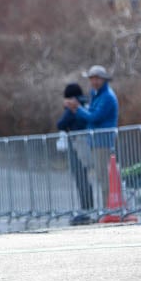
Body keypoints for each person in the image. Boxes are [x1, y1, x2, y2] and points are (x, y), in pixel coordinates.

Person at [64, 65, 119, 210]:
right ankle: (107, 208)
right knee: (101, 177)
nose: (94, 81)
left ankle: (109, 209)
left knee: (104, 177)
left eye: (97, 78)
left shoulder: (107, 96)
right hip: (96, 141)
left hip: (103, 141)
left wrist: (77, 109)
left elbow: (94, 116)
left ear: (103, 79)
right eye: (92, 78)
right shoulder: (97, 94)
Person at [57, 83, 94, 225]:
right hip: (86, 144)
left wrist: (67, 108)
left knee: (81, 179)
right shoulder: (87, 103)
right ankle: (88, 209)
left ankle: (86, 210)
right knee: (85, 179)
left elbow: (61, 124)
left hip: (77, 144)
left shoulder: (74, 107)